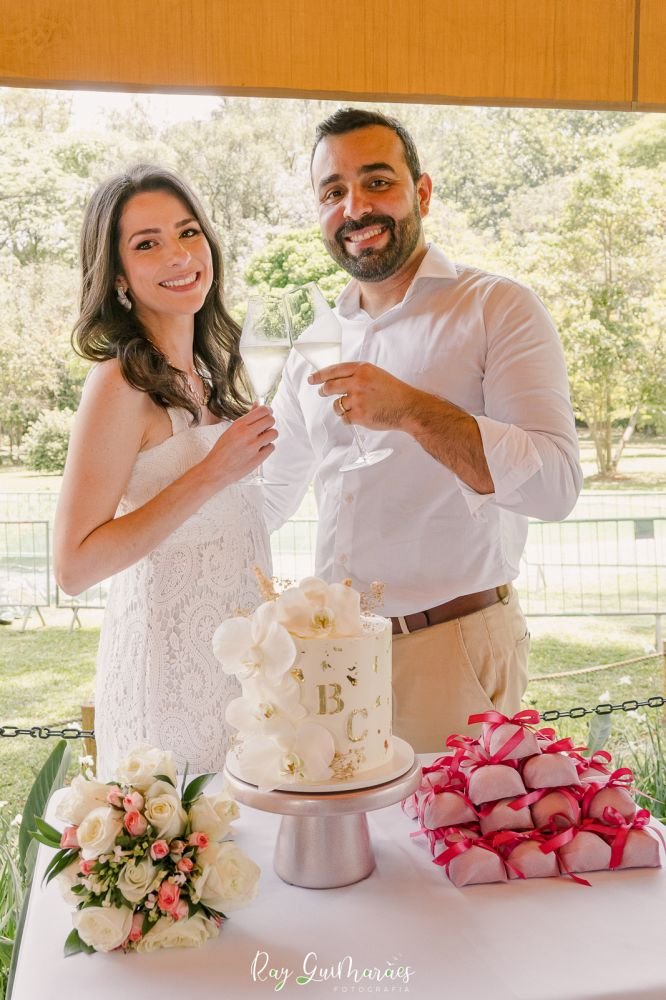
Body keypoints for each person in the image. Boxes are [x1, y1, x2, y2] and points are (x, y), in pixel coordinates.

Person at [262, 108, 583, 751]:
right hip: (334, 661)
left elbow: (555, 488)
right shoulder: (315, 338)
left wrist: (411, 411)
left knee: (449, 823)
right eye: (333, 191)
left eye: (377, 182)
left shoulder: (497, 307)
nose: (355, 207)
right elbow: (271, 494)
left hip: (451, 651)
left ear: (423, 193)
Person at [54, 164, 277, 778]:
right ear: (118, 276)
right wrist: (212, 472)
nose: (178, 255)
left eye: (188, 232)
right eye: (147, 244)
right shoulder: (119, 384)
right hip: (169, 689)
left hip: (239, 683)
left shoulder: (211, 376)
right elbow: (74, 566)